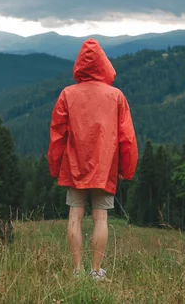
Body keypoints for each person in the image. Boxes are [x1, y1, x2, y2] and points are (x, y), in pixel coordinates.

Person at [47, 38, 138, 281]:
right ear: (103, 63)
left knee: (74, 216)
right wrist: (126, 170)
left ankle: (76, 271)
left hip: (73, 167)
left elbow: (57, 135)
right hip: (105, 167)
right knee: (101, 218)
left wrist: (55, 166)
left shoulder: (67, 94)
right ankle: (96, 272)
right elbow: (126, 137)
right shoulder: (116, 96)